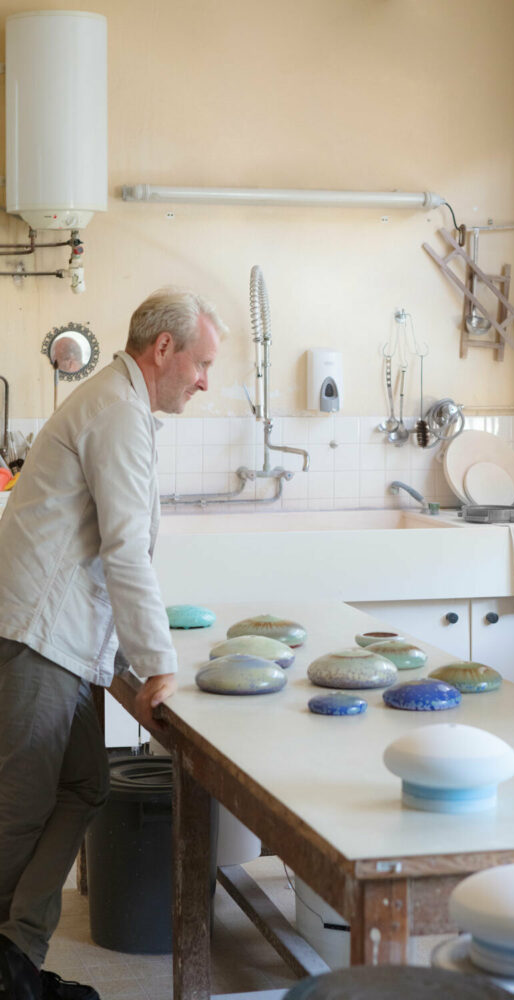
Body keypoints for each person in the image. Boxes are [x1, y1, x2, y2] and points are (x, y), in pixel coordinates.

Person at [0, 288, 225, 1000]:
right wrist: (157, 665)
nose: (204, 381)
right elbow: (125, 550)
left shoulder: (121, 405)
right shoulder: (117, 411)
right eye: (202, 363)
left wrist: (130, 654)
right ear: (164, 348)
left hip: (58, 637)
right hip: (37, 637)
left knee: (84, 787)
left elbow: (105, 547)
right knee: (17, 812)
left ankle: (15, 961)